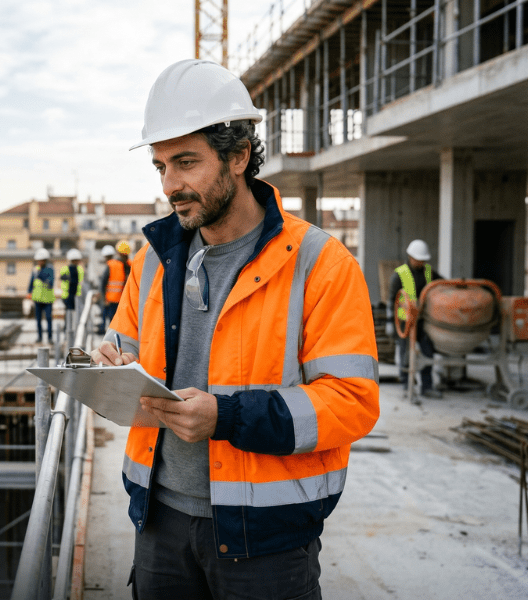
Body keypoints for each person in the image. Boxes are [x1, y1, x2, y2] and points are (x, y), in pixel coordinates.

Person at [89, 59, 380, 599]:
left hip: (267, 536)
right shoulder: (152, 259)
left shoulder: (321, 263)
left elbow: (351, 402)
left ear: (240, 155)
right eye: (160, 167)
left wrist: (226, 417)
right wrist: (107, 372)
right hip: (158, 520)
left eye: (186, 163)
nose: (171, 185)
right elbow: (127, 354)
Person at [388, 239, 443, 398]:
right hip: (406, 322)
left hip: (424, 321)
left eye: (423, 259)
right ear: (410, 257)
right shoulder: (399, 274)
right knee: (406, 354)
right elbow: (392, 300)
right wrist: (391, 322)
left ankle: (427, 387)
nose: (421, 262)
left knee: (427, 353)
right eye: (419, 259)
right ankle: (407, 385)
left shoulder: (429, 272)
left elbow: (442, 283)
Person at [99, 242, 131, 334]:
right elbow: (104, 282)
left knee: (115, 320)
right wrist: (104, 297)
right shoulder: (113, 265)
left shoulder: (130, 265)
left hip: (122, 299)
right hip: (113, 298)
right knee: (111, 318)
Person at [27, 248, 55, 343]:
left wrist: (41, 275)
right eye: (38, 260)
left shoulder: (50, 269)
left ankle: (50, 338)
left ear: (45, 260)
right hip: (37, 299)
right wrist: (29, 291)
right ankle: (39, 338)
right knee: (38, 320)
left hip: (47, 300)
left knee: (48, 318)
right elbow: (31, 281)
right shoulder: (35, 270)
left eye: (41, 260)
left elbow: (50, 282)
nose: (40, 262)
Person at [60, 248, 85, 334]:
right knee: (68, 313)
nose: (75, 262)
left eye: (76, 260)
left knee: (77, 314)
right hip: (67, 295)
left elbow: (81, 281)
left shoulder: (80, 269)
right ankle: (67, 330)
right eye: (74, 260)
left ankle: (75, 330)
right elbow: (61, 277)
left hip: (76, 295)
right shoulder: (65, 269)